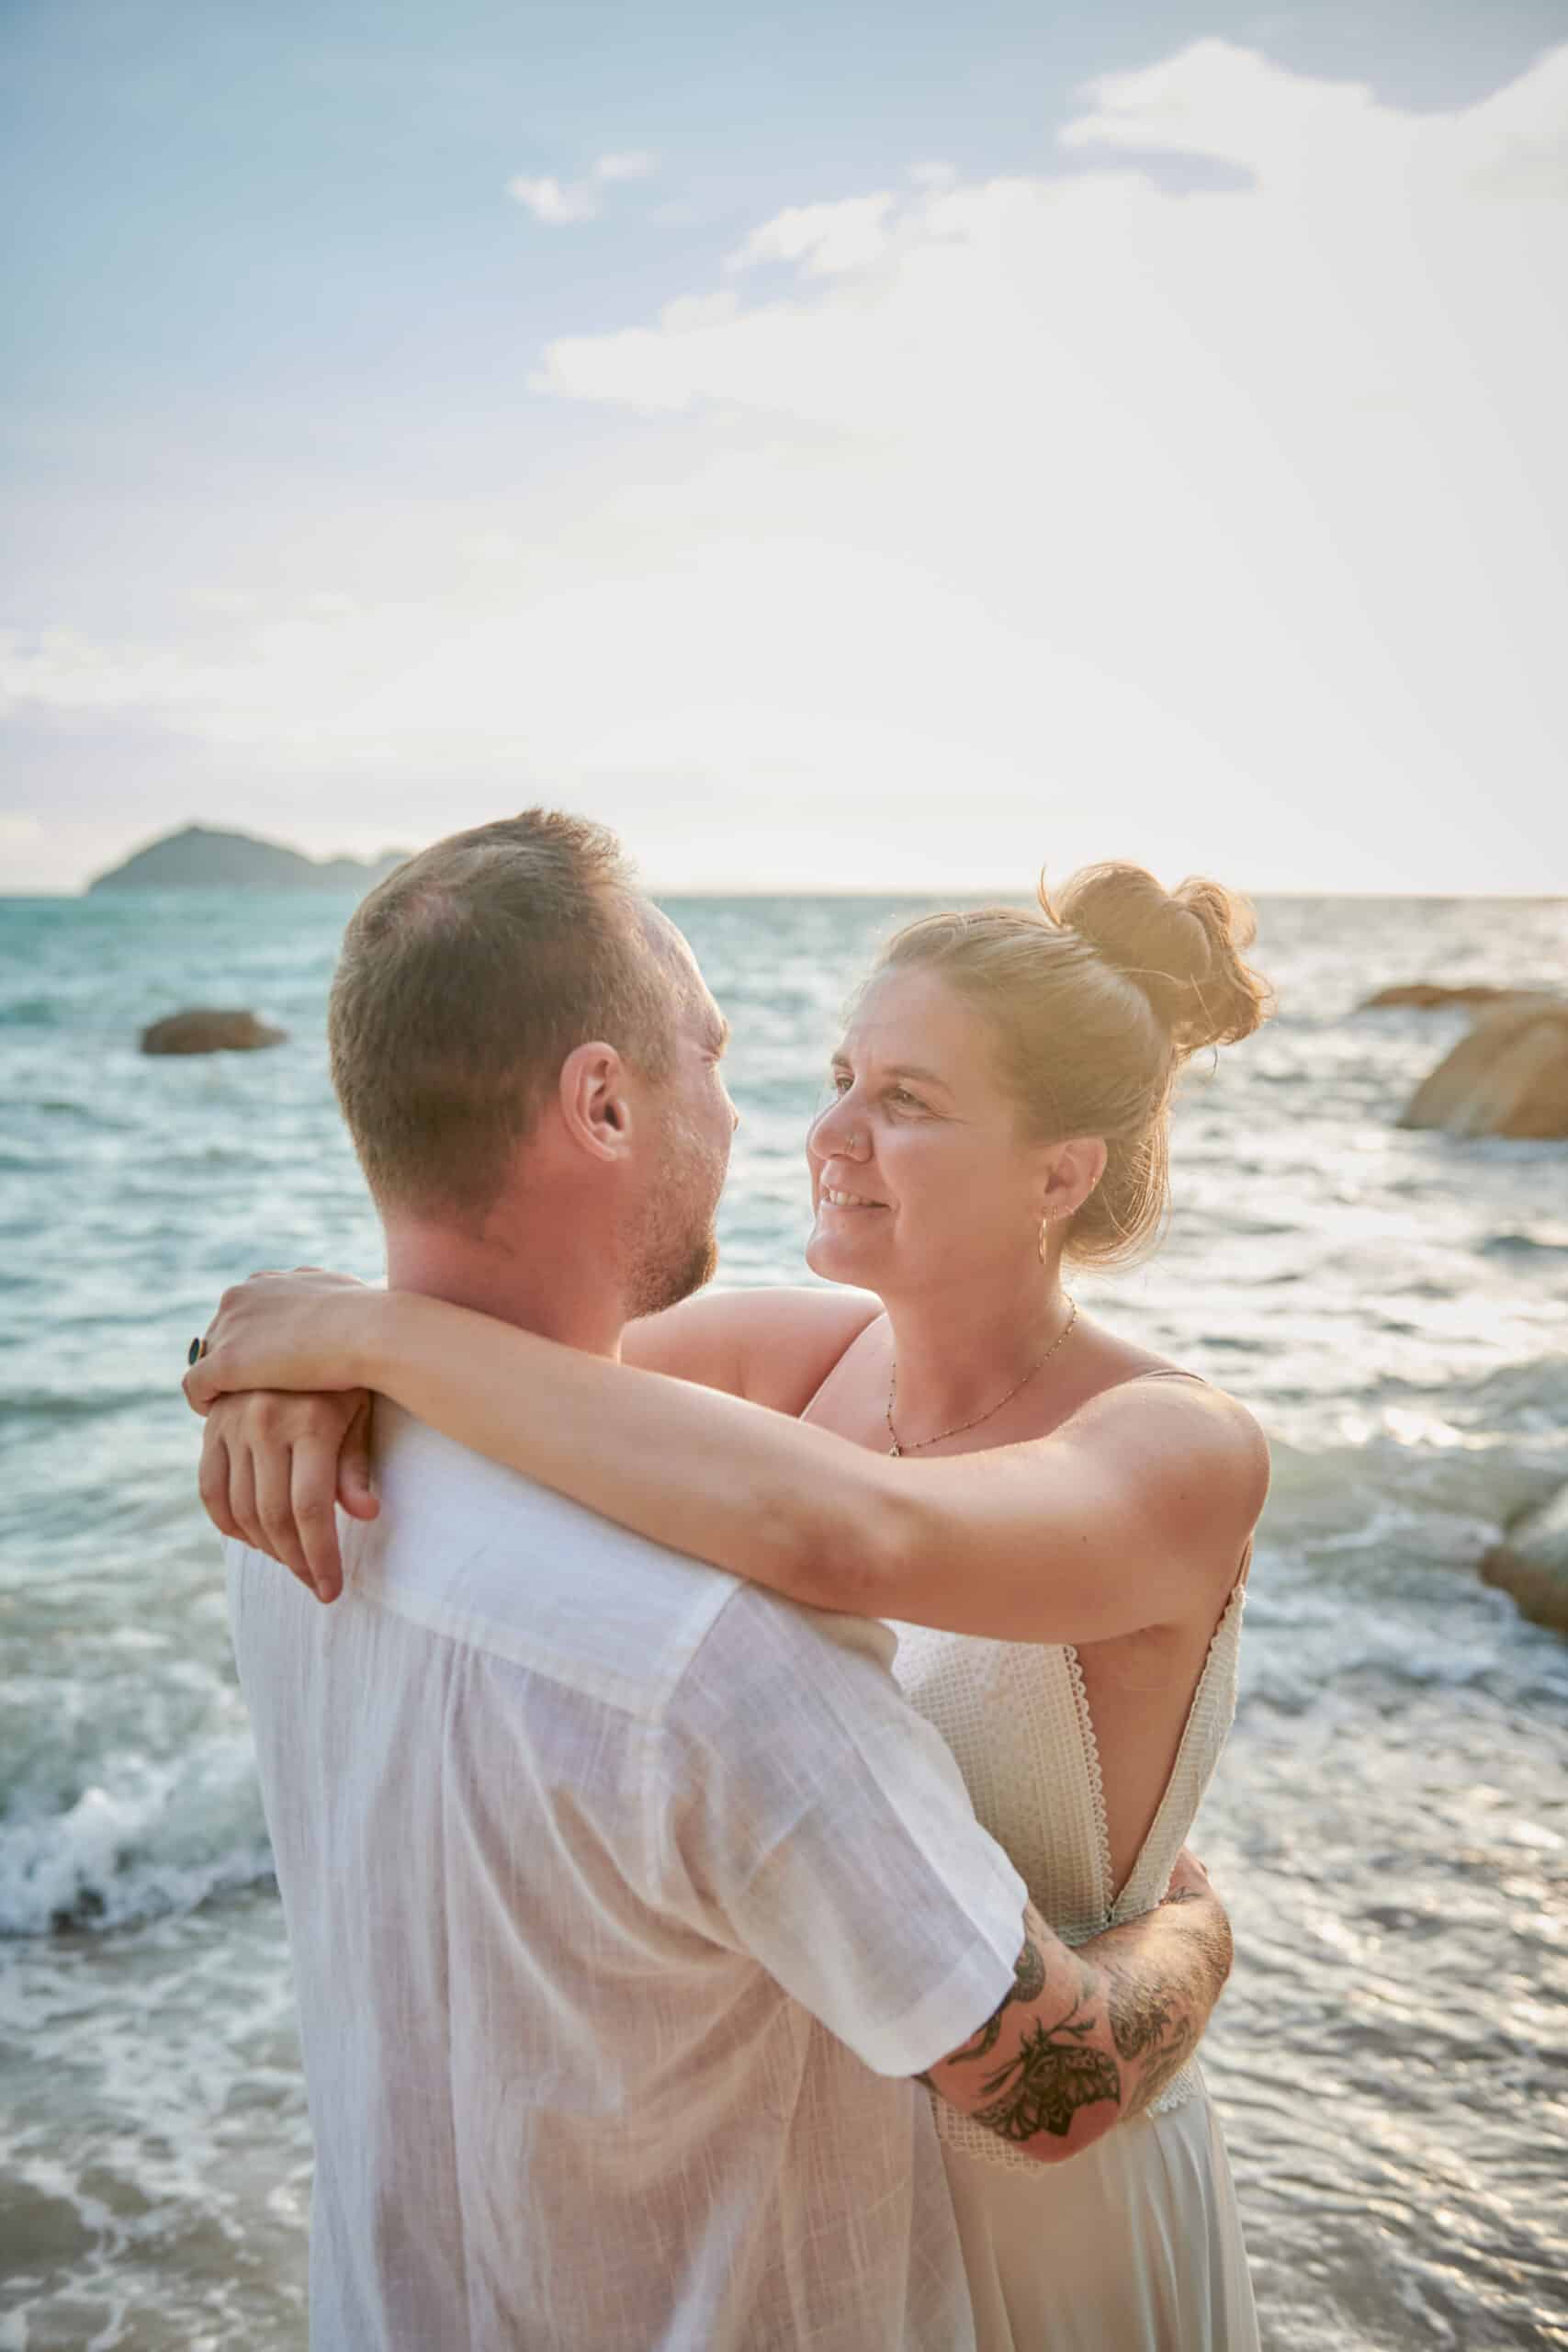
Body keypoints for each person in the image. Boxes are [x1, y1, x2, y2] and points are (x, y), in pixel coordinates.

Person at [194, 810, 1238, 2352]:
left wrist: (359, 1333)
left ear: (1059, 1172)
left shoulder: (1176, 1444)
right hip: (883, 2180)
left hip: (1049, 2203)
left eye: (907, 1100)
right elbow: (534, 1374)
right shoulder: (789, 1356)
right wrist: (300, 1353)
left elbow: (864, 1536)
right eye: (832, 1083)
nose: (824, 1133)